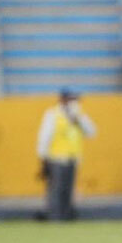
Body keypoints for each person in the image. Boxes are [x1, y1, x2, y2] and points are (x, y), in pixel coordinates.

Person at [36, 88, 97, 221]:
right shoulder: (53, 114)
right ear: (63, 100)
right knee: (56, 190)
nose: (74, 102)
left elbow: (92, 132)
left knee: (68, 191)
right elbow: (44, 137)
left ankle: (66, 217)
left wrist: (78, 120)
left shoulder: (79, 116)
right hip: (56, 159)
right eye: (71, 99)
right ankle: (54, 218)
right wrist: (43, 158)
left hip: (73, 159)